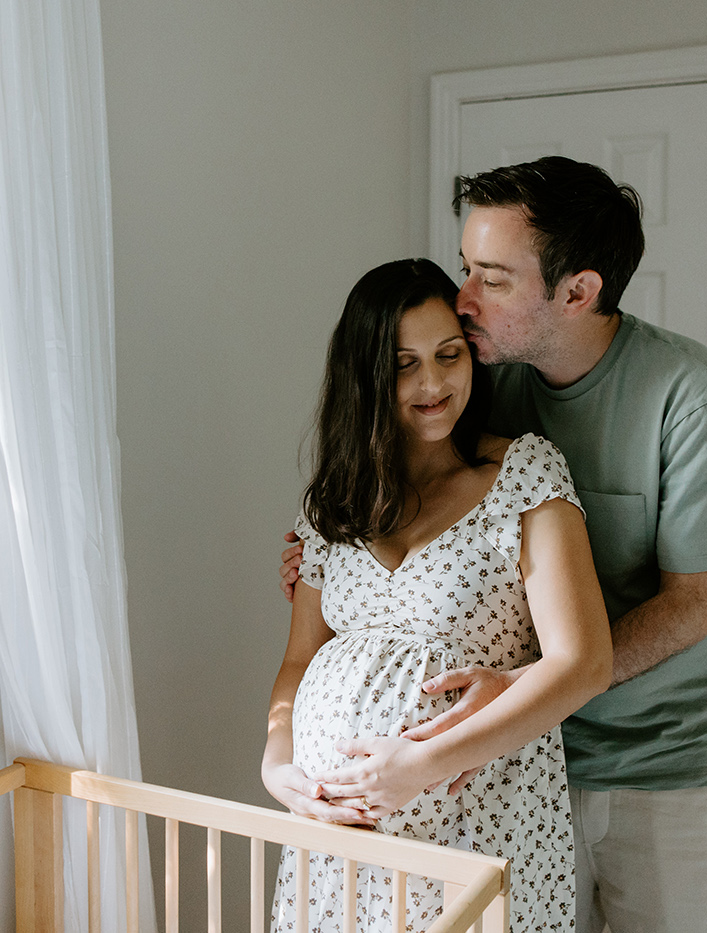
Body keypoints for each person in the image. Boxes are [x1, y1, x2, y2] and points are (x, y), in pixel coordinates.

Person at [280, 158, 707, 933]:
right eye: (468, 267)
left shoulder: (693, 400)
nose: (464, 298)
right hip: (515, 765)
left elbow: (691, 605)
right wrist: (331, 559)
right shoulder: (483, 378)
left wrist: (521, 683)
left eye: (493, 278)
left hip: (661, 761)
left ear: (577, 292)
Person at [263, 258, 612, 932]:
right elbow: (298, 661)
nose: (433, 383)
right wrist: (278, 765)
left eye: (449, 355)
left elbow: (585, 661)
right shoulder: (332, 503)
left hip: (479, 828)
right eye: (404, 364)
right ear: (366, 378)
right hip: (340, 847)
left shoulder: (523, 473)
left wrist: (421, 765)